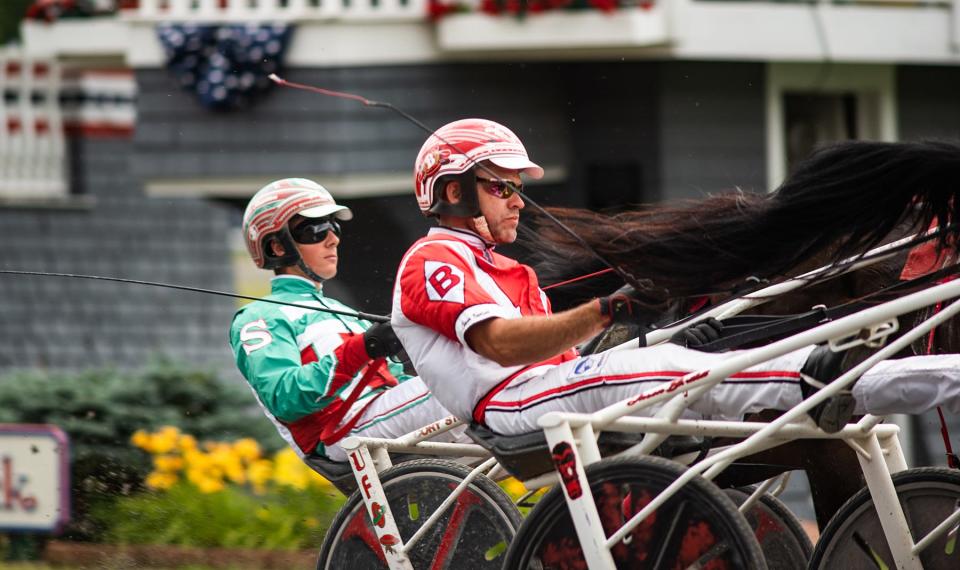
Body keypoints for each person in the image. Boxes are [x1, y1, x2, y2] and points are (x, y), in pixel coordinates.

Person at [391, 118, 960, 436]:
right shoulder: (431, 260)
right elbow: (496, 343)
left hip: (550, 388)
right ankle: (815, 383)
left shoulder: (506, 271)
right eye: (503, 187)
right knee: (674, 369)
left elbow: (557, 352)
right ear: (454, 192)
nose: (518, 201)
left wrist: (641, 321)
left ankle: (844, 379)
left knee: (705, 352)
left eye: (519, 187)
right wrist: (606, 311)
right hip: (512, 401)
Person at [230, 178, 464, 463]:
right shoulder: (260, 317)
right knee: (463, 382)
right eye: (315, 230)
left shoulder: (342, 310)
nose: (333, 239)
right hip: (341, 434)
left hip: (383, 418)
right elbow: (284, 398)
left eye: (333, 227)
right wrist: (363, 348)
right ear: (278, 247)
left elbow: (397, 381)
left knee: (476, 368)